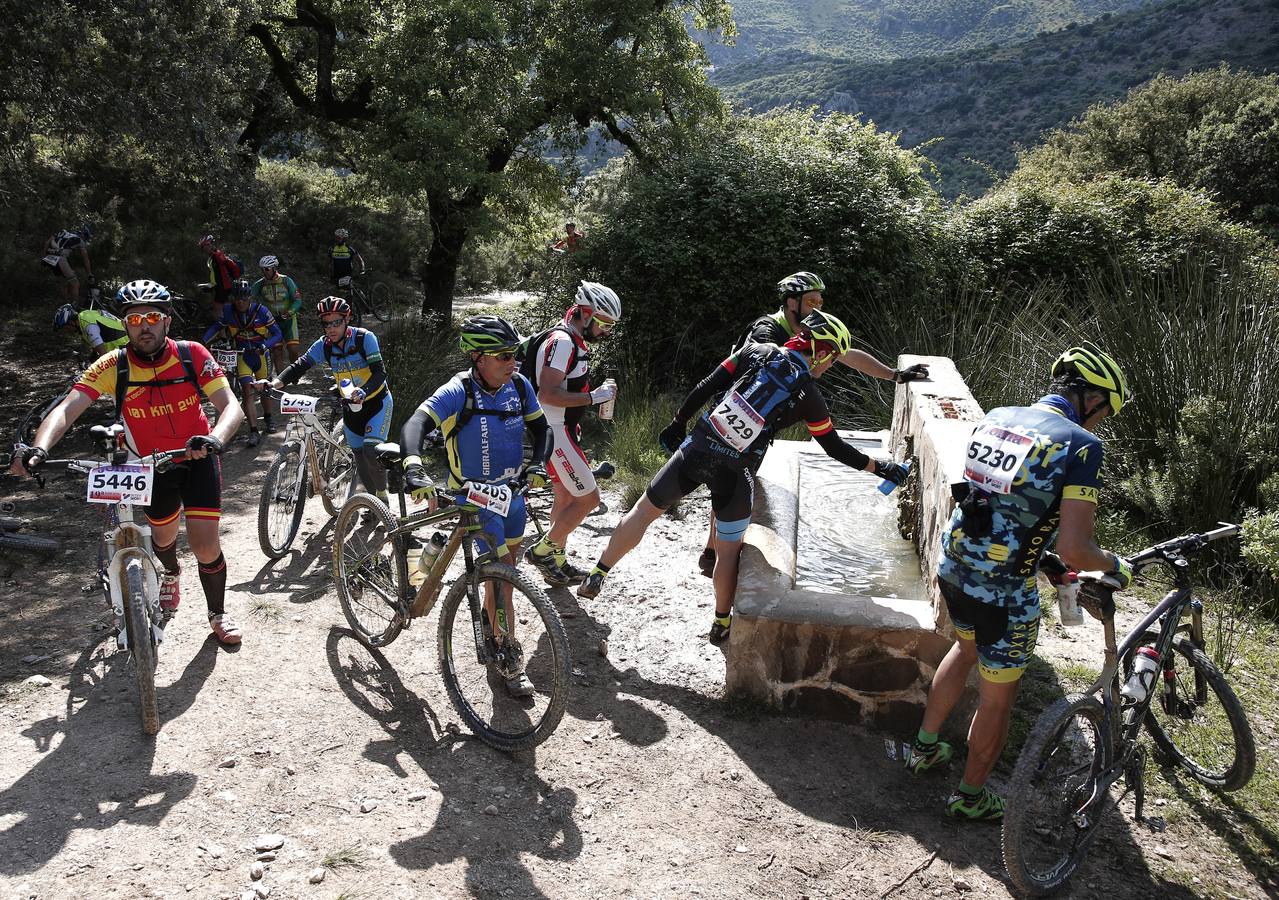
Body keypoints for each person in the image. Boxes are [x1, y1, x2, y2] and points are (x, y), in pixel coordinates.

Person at [576, 310, 909, 645]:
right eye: (832, 359)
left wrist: (678, 422)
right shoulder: (810, 396)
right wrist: (879, 468)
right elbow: (834, 447)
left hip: (698, 447)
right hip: (736, 471)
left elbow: (707, 385)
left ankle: (598, 572)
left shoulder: (757, 350)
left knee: (643, 512)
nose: (830, 366)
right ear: (821, 352)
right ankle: (721, 622)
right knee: (728, 552)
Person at [904, 343, 1133, 822]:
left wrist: (1041, 555)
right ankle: (971, 798)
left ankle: (923, 748)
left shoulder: (999, 416)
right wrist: (1114, 564)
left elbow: (998, 504)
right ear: (1091, 398)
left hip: (955, 565)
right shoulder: (1082, 445)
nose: (1102, 422)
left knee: (964, 649)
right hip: (1004, 593)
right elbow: (1077, 548)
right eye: (1106, 410)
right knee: (997, 700)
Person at [12, 279, 247, 644]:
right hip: (149, 466)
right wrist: (40, 448)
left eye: (152, 316)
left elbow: (231, 405)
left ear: (167, 320)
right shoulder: (113, 365)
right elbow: (67, 409)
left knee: (204, 544)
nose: (144, 326)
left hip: (197, 455)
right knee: (164, 541)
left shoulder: (192, 354)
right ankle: (171, 574)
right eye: (134, 320)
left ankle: (217, 613)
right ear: (124, 325)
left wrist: (215, 438)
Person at [694, 270, 931, 577]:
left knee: (737, 484)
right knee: (729, 483)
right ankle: (712, 553)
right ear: (792, 303)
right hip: (734, 417)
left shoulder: (811, 331)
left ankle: (716, 551)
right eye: (811, 301)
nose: (817, 307)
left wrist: (895, 375)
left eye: (820, 300)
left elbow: (845, 354)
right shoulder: (767, 330)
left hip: (759, 425)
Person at [398, 315, 552, 697]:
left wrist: (536, 465)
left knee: (505, 579)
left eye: (514, 354)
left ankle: (492, 629)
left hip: (513, 497)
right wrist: (413, 466)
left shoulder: (518, 385)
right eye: (502, 356)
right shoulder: (458, 391)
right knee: (502, 579)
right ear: (478, 357)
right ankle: (507, 657)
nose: (512, 362)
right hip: (475, 499)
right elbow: (416, 423)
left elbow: (542, 429)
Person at [521, 281, 620, 586]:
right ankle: (542, 552)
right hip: (554, 430)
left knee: (564, 496)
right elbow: (547, 394)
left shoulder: (570, 338)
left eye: (610, 325)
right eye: (603, 323)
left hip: (559, 428)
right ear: (586, 313)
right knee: (588, 499)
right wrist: (595, 397)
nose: (605, 331)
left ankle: (557, 562)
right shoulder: (563, 342)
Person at [265, 297, 392, 502]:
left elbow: (380, 374)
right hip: (350, 408)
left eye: (336, 322)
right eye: (326, 324)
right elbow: (299, 366)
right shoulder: (323, 345)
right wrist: (274, 383)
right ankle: (373, 499)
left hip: (376, 403)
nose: (331, 328)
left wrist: (363, 392)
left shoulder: (364, 339)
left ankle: (382, 495)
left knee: (370, 451)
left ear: (347, 319)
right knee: (359, 457)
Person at [201, 280, 282, 447]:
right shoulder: (228, 311)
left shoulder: (262, 312)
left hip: (260, 354)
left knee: (265, 389)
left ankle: (268, 417)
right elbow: (217, 326)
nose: (240, 302)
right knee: (247, 390)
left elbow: (277, 334)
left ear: (250, 298)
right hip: (241, 354)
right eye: (237, 299)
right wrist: (202, 343)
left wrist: (264, 346)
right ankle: (253, 430)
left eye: (244, 299)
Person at [252, 254, 303, 368]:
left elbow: (298, 301)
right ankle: (280, 382)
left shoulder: (287, 281)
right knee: (276, 351)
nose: (264, 272)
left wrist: (290, 312)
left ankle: (294, 372)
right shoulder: (260, 284)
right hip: (272, 322)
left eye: (267, 269)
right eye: (262, 269)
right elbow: (247, 298)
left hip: (288, 321)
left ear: (274, 268)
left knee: (293, 350)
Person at [41, 224, 93, 305]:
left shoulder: (62, 232)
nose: (85, 240)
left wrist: (43, 257)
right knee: (75, 284)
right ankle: (74, 307)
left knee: (63, 282)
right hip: (60, 258)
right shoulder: (80, 240)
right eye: (86, 238)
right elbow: (85, 259)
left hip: (49, 257)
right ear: (84, 235)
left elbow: (47, 242)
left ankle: (65, 305)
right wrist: (89, 274)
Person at [53, 303, 128, 357]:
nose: (66, 331)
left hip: (125, 345)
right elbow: (100, 339)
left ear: (71, 321)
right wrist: (93, 355)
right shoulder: (85, 316)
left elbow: (103, 354)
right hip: (122, 345)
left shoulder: (88, 325)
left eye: (65, 328)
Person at [197, 235, 242, 321]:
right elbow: (216, 274)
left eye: (205, 246)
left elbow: (222, 274)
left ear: (210, 245)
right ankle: (225, 329)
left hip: (223, 287)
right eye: (202, 247)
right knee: (222, 310)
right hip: (221, 286)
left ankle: (223, 332)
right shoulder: (213, 256)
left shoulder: (217, 255)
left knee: (217, 311)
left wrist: (218, 287)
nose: (204, 249)